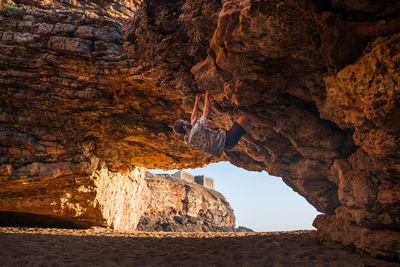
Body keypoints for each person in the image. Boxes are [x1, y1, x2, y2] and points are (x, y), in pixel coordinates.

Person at [173, 91, 285, 157]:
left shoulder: (188, 138)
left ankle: (257, 144)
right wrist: (207, 97)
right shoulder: (196, 131)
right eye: (184, 121)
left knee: (237, 128)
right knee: (246, 116)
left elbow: (193, 118)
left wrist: (196, 102)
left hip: (225, 144)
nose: (187, 121)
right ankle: (276, 125)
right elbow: (206, 113)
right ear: (184, 126)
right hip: (227, 139)